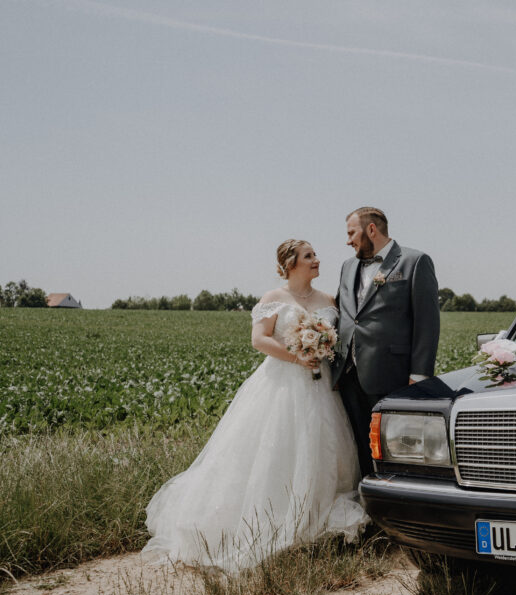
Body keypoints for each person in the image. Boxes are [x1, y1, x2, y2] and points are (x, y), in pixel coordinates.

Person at [142, 240, 368, 573]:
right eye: (309, 256)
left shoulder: (328, 301)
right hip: (282, 383)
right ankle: (270, 518)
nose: (317, 260)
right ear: (291, 264)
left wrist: (320, 350)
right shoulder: (273, 299)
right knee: (277, 450)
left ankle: (313, 518)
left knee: (321, 447)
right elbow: (259, 339)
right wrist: (298, 356)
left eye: (315, 255)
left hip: (322, 386)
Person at [333, 207, 441, 476]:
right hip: (349, 373)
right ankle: (367, 499)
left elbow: (427, 322)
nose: (348, 241)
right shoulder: (347, 266)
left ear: (371, 229)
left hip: (392, 373)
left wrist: (420, 374)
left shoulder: (414, 261)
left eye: (351, 233)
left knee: (398, 444)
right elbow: (345, 313)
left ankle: (396, 501)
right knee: (358, 443)